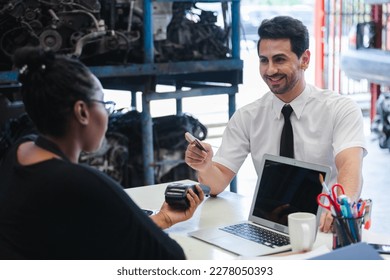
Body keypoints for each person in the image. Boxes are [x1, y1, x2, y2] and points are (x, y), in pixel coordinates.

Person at [0, 46, 205, 260]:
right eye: (103, 103)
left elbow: (68, 238)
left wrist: (163, 218)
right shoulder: (81, 183)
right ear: (82, 112)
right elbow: (171, 256)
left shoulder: (20, 152)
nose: (106, 113)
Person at [185, 16, 366, 233]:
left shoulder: (340, 109)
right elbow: (217, 183)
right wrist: (205, 166)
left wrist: (341, 206)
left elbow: (350, 166)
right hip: (269, 225)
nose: (270, 70)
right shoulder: (247, 117)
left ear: (305, 59)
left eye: (279, 60)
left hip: (326, 227)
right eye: (264, 60)